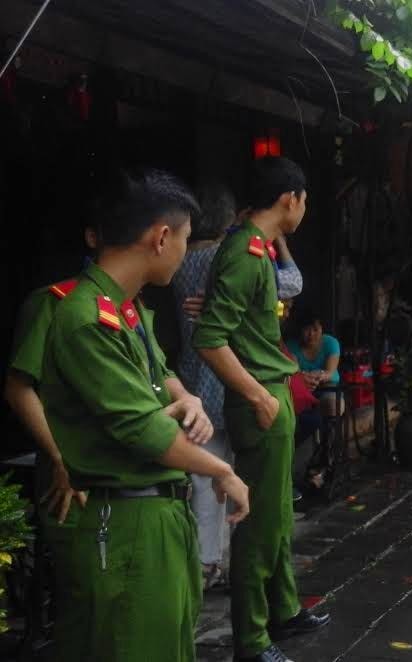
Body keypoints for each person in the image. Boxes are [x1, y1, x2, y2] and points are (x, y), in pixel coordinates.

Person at [38, 169, 250, 662]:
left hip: (157, 513)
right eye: (184, 239)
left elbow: (159, 380)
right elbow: (142, 427)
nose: (184, 251)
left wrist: (188, 399)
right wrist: (221, 468)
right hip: (128, 517)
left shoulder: (123, 309)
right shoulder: (87, 318)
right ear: (161, 237)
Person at [194, 157, 330, 662]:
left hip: (271, 394)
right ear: (290, 198)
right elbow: (210, 336)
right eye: (305, 200)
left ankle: (284, 611)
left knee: (277, 516)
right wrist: (256, 394)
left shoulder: (255, 248)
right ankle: (251, 640)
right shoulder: (246, 254)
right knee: (258, 525)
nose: (304, 209)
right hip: (262, 402)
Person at [171, 184, 244, 589]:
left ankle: (206, 561)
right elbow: (290, 284)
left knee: (203, 473)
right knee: (230, 471)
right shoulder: (223, 256)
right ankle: (231, 559)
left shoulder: (181, 259)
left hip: (191, 373)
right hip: (227, 373)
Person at [6, 223, 100, 526]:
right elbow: (18, 388)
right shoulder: (54, 301)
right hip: (73, 474)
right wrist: (62, 457)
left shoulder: (133, 307)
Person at [285, 307, 343, 415]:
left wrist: (319, 376)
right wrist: (303, 379)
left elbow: (330, 372)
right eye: (307, 330)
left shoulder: (331, 343)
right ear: (300, 330)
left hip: (328, 388)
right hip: (301, 389)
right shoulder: (291, 346)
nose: (311, 334)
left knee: (333, 404)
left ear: (322, 329)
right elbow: (294, 373)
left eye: (315, 329)